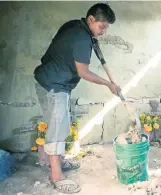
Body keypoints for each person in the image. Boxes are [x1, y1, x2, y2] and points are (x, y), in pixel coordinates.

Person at [33, 3, 120, 193]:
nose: (104, 32)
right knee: (58, 127)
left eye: (106, 27)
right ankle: (56, 175)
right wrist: (108, 84)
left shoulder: (75, 26)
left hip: (46, 79)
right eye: (102, 26)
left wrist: (93, 38)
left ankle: (52, 160)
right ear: (91, 20)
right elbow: (83, 72)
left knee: (56, 123)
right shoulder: (82, 38)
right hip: (55, 85)